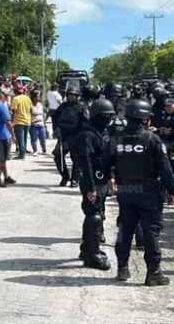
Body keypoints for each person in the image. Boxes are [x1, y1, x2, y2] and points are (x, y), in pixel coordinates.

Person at [101, 99, 174, 286]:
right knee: (151, 231)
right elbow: (165, 168)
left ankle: (122, 268)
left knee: (125, 230)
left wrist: (111, 176)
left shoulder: (116, 139)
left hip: (125, 191)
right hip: (149, 193)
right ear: (144, 120)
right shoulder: (152, 139)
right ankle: (153, 273)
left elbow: (103, 163)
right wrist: (172, 190)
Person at [75, 99, 115, 271]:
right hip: (91, 180)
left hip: (102, 179)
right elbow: (86, 162)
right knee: (94, 215)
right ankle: (93, 255)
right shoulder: (87, 135)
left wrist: (111, 176)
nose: (109, 119)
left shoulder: (103, 131)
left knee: (97, 213)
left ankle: (87, 249)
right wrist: (91, 187)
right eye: (106, 116)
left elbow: (107, 156)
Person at [55, 86, 87, 188]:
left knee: (76, 160)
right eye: (69, 95)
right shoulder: (63, 106)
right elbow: (55, 117)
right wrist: (56, 127)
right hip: (63, 135)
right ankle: (65, 176)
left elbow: (86, 121)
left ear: (77, 96)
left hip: (76, 136)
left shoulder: (82, 107)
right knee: (58, 156)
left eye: (73, 95)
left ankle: (75, 179)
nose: (71, 97)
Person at [10, 85, 33, 159]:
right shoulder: (28, 98)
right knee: (25, 138)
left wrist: (12, 121)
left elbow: (13, 110)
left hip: (19, 121)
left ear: (16, 91)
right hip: (27, 121)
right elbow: (31, 109)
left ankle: (21, 154)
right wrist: (29, 117)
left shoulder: (15, 99)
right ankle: (23, 152)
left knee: (20, 139)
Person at [30, 90, 47, 154]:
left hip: (41, 124)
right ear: (34, 98)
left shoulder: (40, 105)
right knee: (34, 139)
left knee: (43, 139)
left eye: (39, 97)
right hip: (34, 124)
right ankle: (35, 151)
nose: (39, 98)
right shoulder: (30, 105)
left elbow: (43, 114)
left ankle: (44, 150)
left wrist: (45, 123)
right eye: (38, 97)